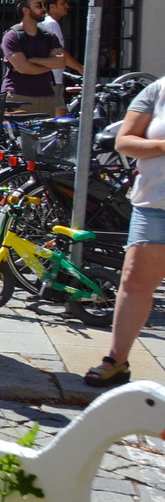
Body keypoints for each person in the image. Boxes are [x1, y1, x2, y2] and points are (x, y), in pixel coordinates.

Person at [83, 77, 165, 387]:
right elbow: (124, 142)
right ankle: (116, 362)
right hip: (154, 204)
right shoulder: (157, 90)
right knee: (133, 280)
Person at [0, 0, 68, 117]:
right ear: (26, 10)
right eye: (38, 5)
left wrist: (33, 60)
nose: (44, 9)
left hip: (47, 97)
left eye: (43, 5)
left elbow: (61, 62)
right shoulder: (12, 36)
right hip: (19, 97)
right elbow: (23, 68)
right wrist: (49, 64)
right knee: (20, 131)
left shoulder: (49, 36)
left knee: (47, 131)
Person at [39, 0, 82, 117]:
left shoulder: (45, 22)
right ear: (52, 7)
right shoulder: (51, 23)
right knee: (59, 114)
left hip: (48, 77)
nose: (67, 6)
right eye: (63, 4)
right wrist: (80, 68)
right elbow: (59, 52)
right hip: (52, 78)